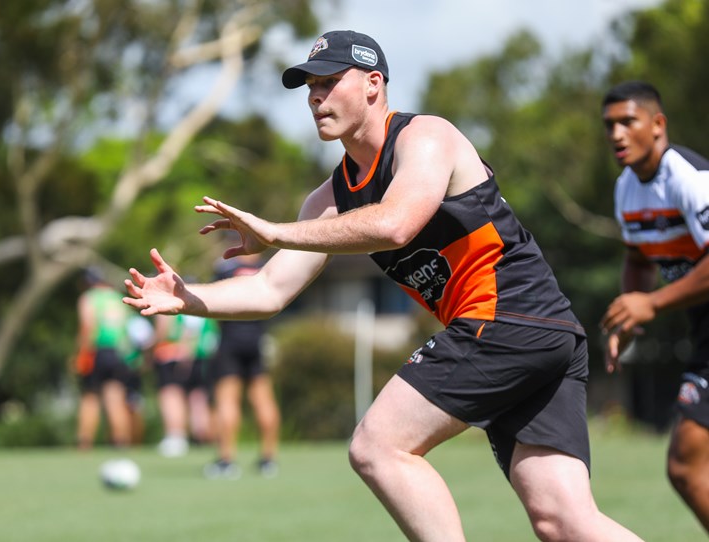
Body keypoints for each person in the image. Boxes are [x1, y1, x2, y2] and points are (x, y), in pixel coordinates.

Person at [123, 30, 641, 541]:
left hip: (506, 318)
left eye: (329, 81)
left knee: (377, 445)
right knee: (565, 523)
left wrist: (278, 231)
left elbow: (397, 223)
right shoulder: (329, 199)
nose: (316, 97)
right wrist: (188, 298)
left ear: (373, 83)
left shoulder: (426, 137)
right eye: (309, 87)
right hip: (536, 334)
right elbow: (269, 291)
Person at [600, 81, 709, 533]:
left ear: (658, 124)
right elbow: (637, 256)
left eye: (628, 121)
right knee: (687, 467)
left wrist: (653, 302)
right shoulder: (627, 190)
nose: (617, 135)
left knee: (686, 463)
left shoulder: (688, 178)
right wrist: (630, 314)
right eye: (609, 126)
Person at [204, 253, 281, 480]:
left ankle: (226, 461)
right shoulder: (265, 268)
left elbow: (213, 303)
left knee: (227, 400)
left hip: (230, 340)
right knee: (263, 398)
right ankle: (268, 460)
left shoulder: (225, 268)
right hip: (257, 340)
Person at [74, 267, 132, 449]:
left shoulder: (89, 298)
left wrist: (79, 353)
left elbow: (88, 327)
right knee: (115, 397)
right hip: (119, 353)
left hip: (97, 351)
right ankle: (121, 440)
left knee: (90, 397)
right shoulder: (116, 298)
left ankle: (84, 442)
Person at [151, 313, 218, 457]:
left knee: (171, 394)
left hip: (172, 353)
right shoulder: (202, 299)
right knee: (198, 396)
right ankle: (201, 435)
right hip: (201, 355)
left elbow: (162, 329)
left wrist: (150, 347)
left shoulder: (170, 298)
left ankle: (176, 437)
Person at [123, 314, 155, 445]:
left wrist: (145, 362)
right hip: (130, 367)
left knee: (132, 405)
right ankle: (127, 440)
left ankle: (130, 441)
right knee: (130, 405)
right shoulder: (136, 321)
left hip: (130, 368)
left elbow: (147, 343)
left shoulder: (134, 321)